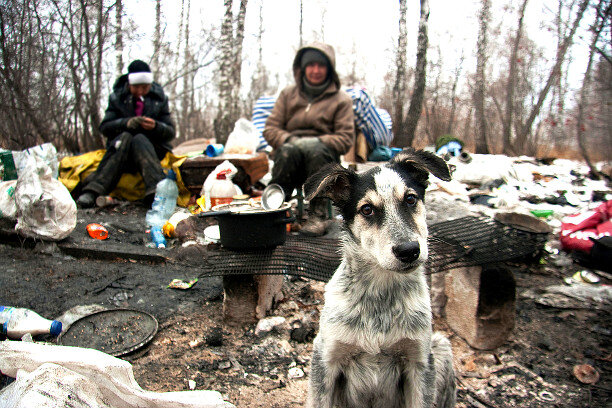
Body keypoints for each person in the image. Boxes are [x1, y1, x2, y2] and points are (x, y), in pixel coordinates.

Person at [263, 42, 355, 236]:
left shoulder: (341, 99)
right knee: (288, 150)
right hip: (290, 160)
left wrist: (319, 142)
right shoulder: (288, 95)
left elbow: (345, 138)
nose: (315, 70)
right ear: (302, 68)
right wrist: (290, 139)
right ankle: (275, 207)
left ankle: (319, 215)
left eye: (321, 65)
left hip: (322, 162)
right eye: (311, 65)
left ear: (329, 69)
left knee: (316, 150)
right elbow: (270, 129)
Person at [76, 60, 175, 208]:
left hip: (151, 151)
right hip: (121, 151)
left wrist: (156, 126)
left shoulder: (158, 99)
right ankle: (94, 190)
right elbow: (105, 127)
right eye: (137, 87)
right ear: (129, 84)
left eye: (145, 87)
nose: (141, 91)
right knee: (127, 137)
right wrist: (125, 123)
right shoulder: (117, 98)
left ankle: (157, 191)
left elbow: (170, 132)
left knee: (139, 139)